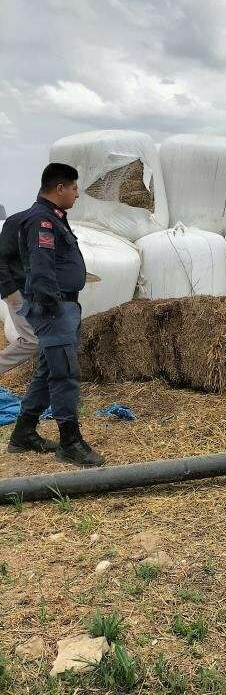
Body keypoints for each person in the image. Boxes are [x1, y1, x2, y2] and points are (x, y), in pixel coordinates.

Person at [7, 163, 105, 467]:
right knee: (64, 374)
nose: (77, 194)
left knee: (48, 370)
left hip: (63, 306)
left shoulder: (54, 218)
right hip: (55, 308)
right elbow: (41, 264)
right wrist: (50, 306)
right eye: (74, 188)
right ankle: (70, 442)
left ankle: (23, 433)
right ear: (59, 188)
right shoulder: (42, 221)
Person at [0, 209, 38, 375]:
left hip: (35, 293)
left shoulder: (54, 224)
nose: (77, 194)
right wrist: (11, 291)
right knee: (33, 339)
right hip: (17, 291)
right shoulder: (18, 221)